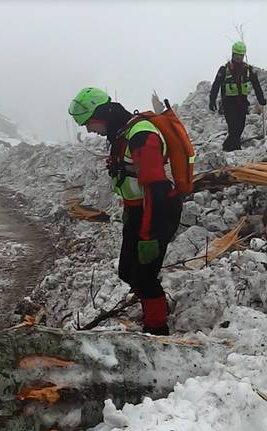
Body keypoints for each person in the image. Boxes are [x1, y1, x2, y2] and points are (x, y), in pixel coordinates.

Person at [68, 87, 182, 335]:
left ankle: (157, 328)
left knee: (144, 274)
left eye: (89, 123)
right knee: (127, 270)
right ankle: (152, 305)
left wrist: (149, 235)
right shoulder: (123, 133)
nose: (89, 130)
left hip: (158, 211)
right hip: (139, 211)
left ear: (101, 114)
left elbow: (156, 190)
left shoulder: (141, 136)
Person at [209, 41, 266, 151]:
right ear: (232, 54)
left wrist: (261, 99)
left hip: (242, 104)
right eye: (237, 55)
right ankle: (234, 148)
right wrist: (212, 100)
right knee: (233, 128)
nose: (239, 58)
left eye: (241, 55)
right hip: (228, 104)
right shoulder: (224, 70)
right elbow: (216, 85)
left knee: (240, 127)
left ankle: (228, 147)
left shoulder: (248, 70)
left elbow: (256, 85)